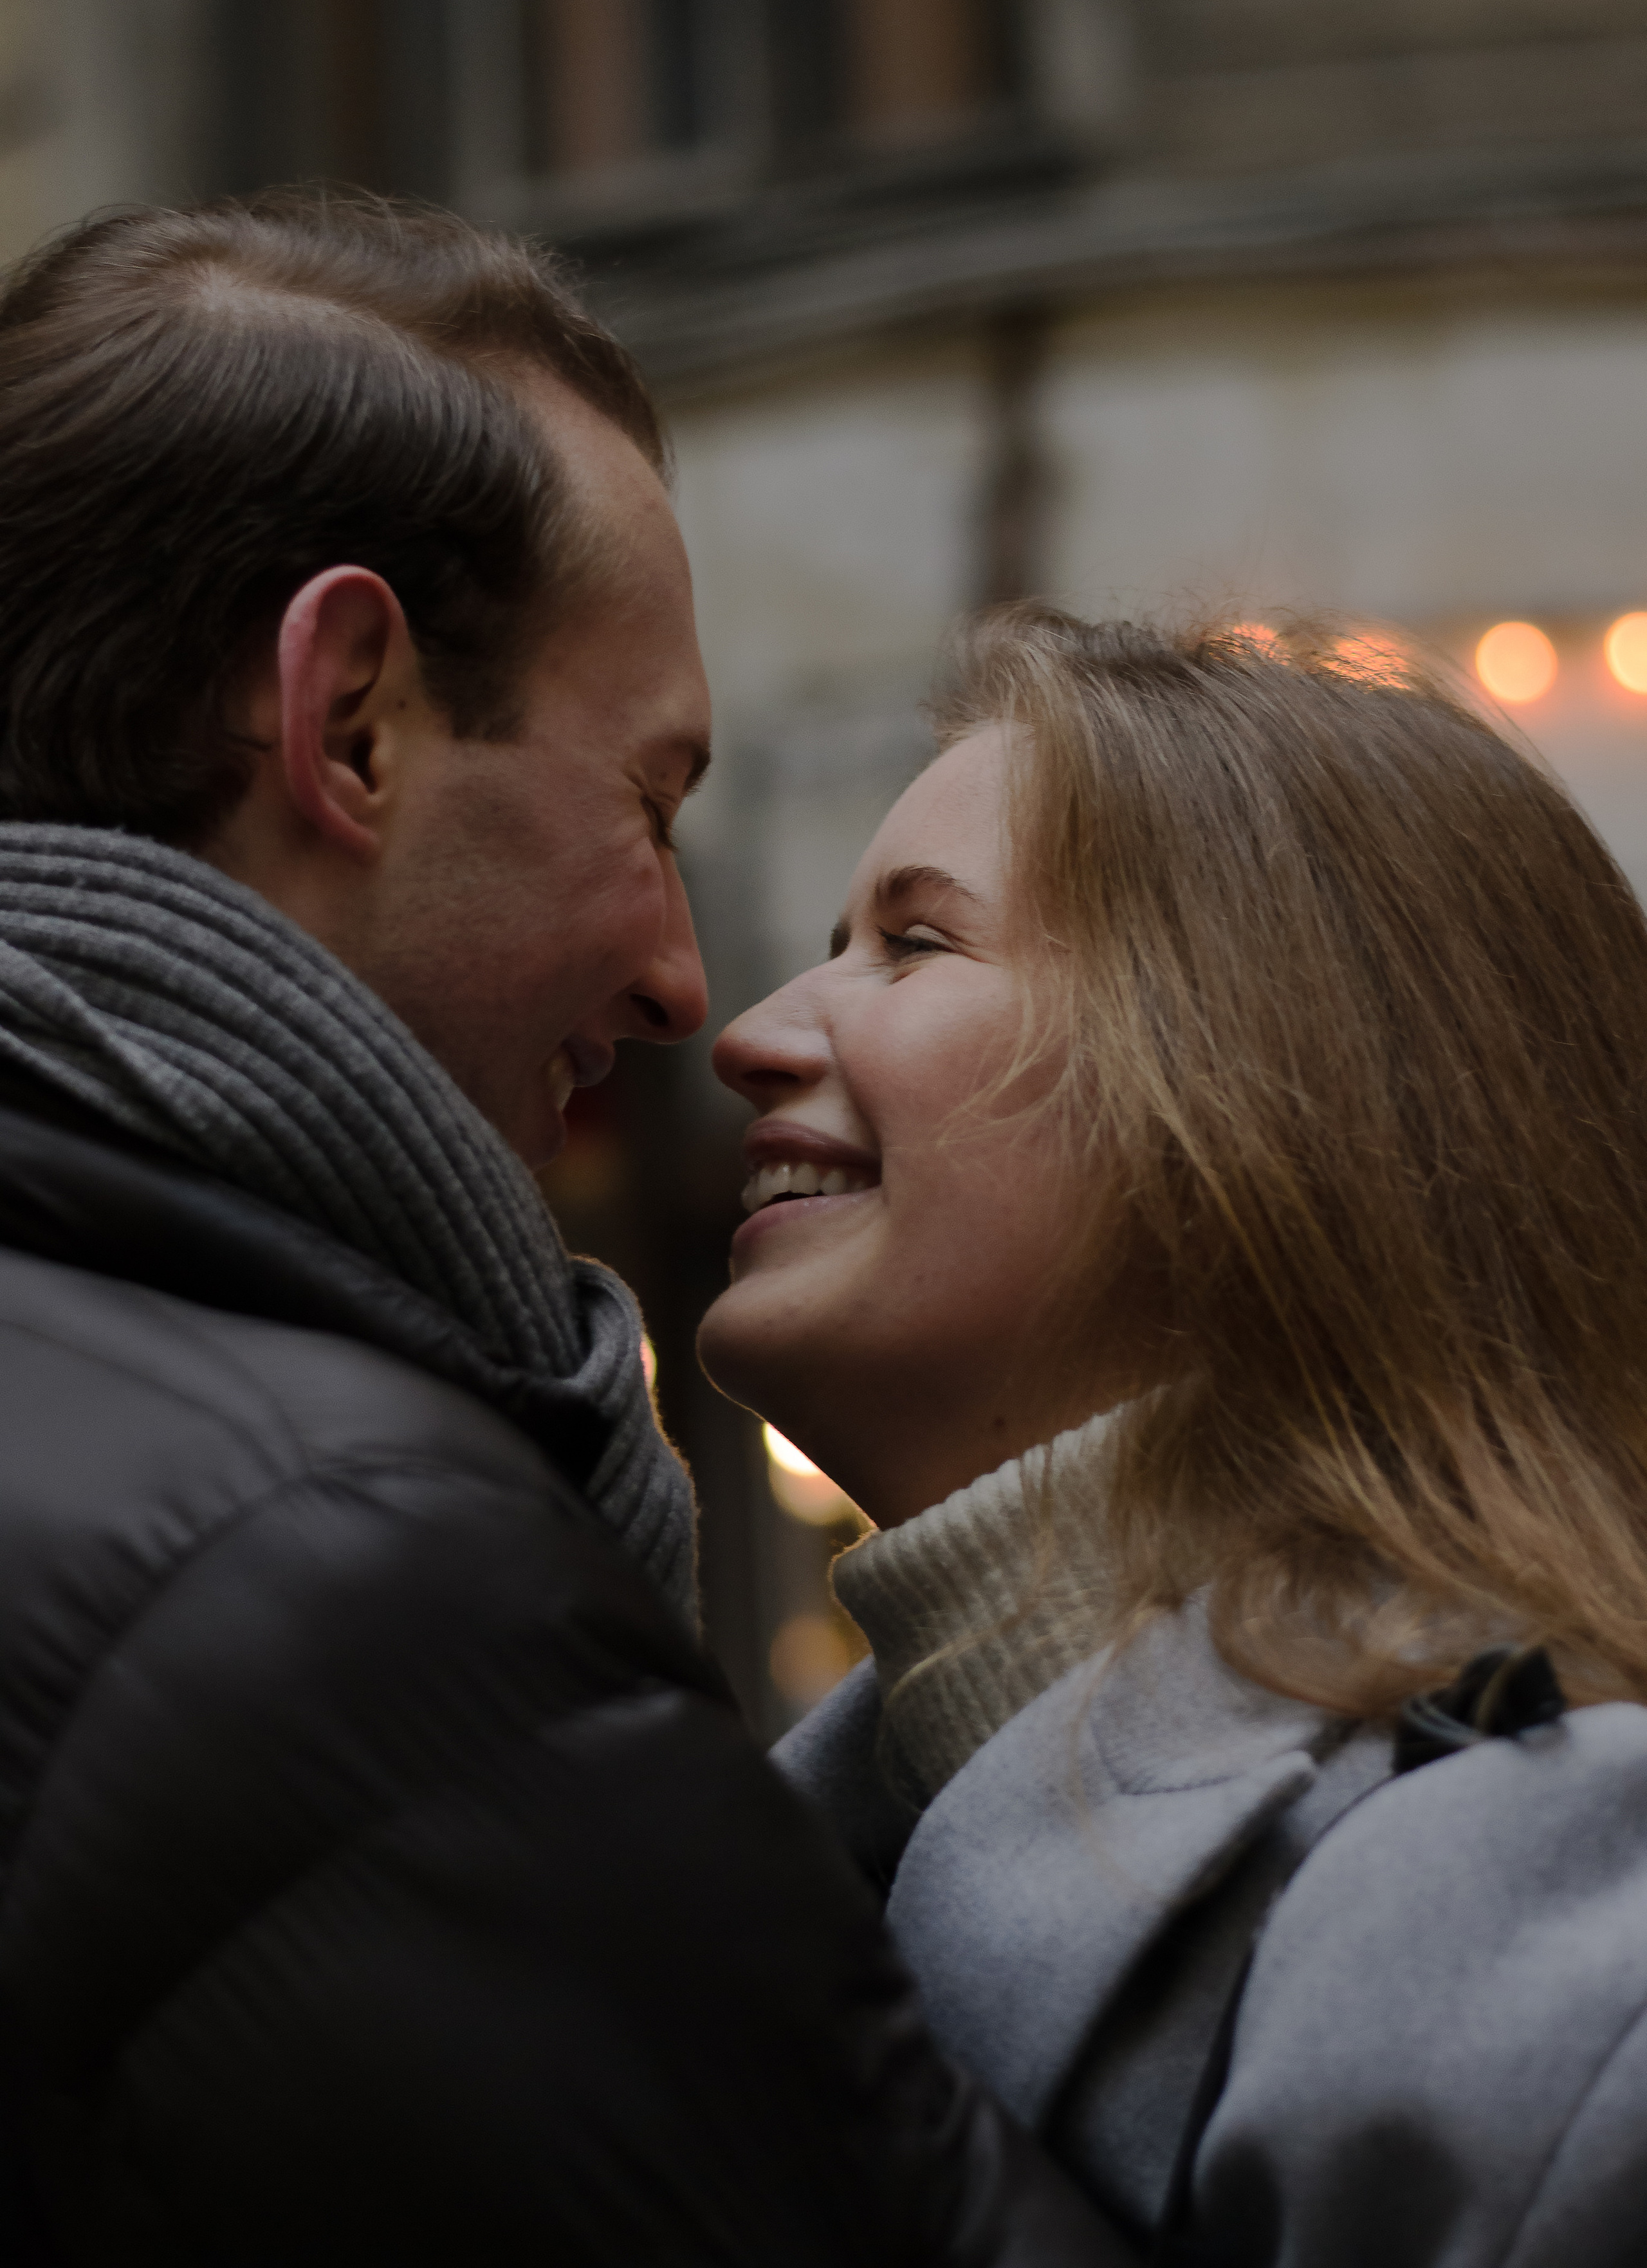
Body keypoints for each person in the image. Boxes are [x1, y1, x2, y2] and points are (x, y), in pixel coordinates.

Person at [0, 196, 1128, 2265]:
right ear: (349, 716)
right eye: (651, 801)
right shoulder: (325, 1574)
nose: (695, 988)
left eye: (916, 945)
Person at [700, 601, 1647, 2267]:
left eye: (914, 944)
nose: (752, 1034)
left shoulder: (1534, 1911)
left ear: (1258, 1082)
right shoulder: (744, 1877)